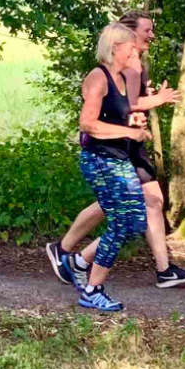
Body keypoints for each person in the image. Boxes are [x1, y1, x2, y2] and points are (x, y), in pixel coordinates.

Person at [45, 9, 185, 291]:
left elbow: (127, 105)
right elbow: (101, 116)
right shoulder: (114, 71)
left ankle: (76, 261)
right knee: (130, 212)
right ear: (125, 37)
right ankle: (82, 269)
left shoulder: (130, 66)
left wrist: (141, 112)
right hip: (110, 151)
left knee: (131, 212)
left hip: (126, 147)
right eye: (146, 30)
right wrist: (153, 104)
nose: (151, 35)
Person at [63, 22, 159, 313]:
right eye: (131, 47)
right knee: (120, 223)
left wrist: (134, 122)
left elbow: (117, 116)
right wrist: (129, 133)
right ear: (115, 48)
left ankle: (78, 263)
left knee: (135, 223)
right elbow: (87, 124)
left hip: (119, 159)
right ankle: (93, 290)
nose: (135, 52)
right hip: (100, 160)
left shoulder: (121, 78)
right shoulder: (98, 77)